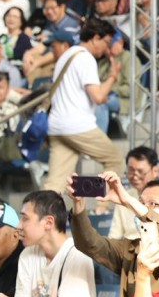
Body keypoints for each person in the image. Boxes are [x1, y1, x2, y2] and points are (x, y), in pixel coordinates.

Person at [43, 18, 124, 192]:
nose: (106, 48)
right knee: (114, 160)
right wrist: (112, 76)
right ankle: (101, 206)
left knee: (55, 184)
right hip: (77, 126)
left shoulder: (67, 54)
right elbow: (98, 96)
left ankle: (37, 217)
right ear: (95, 38)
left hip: (57, 127)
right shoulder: (86, 59)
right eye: (106, 42)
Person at [108, 147, 159, 240]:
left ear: (155, 171)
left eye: (141, 171)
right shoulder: (123, 197)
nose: (135, 176)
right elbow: (114, 237)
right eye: (131, 171)